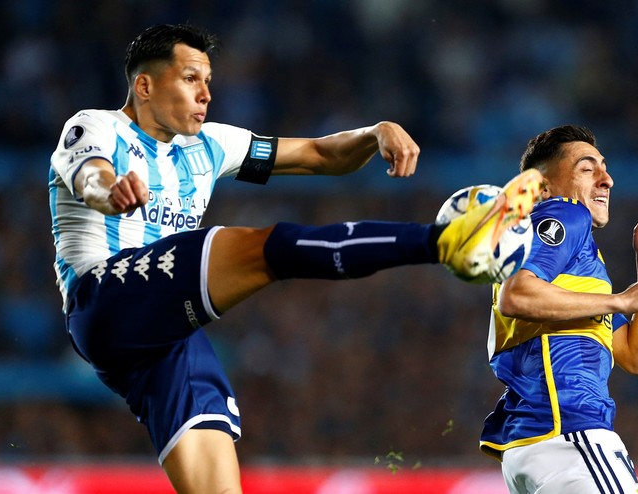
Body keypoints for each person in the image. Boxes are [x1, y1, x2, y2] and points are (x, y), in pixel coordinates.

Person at [48, 24, 542, 494]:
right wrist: (111, 189)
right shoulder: (95, 126)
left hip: (166, 331)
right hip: (105, 297)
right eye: (191, 78)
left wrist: (374, 132)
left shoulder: (210, 145)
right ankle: (442, 242)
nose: (206, 93)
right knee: (269, 248)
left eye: (209, 81)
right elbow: (91, 174)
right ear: (145, 85)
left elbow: (320, 156)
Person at [478, 125, 638, 493]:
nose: (607, 180)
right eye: (587, 169)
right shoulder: (565, 215)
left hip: (539, 441)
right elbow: (516, 295)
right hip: (569, 431)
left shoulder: (578, 273)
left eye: (604, 168)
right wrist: (620, 300)